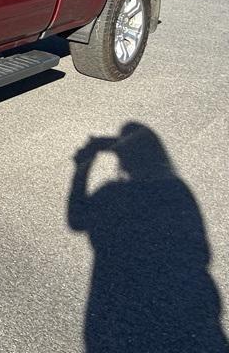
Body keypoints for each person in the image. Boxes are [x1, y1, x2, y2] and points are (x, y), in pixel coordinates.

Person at [67, 122, 228, 352]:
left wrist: (83, 166)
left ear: (124, 159)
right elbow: (201, 251)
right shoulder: (176, 192)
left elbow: (77, 219)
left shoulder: (113, 195)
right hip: (181, 307)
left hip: (116, 307)